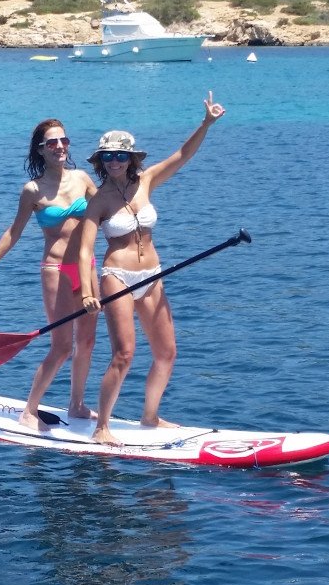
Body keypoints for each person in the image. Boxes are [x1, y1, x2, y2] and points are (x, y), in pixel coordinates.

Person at [77, 92, 226, 446]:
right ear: (101, 161)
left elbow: (183, 155)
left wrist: (206, 123)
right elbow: (85, 251)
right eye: (108, 156)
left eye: (120, 155)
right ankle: (102, 428)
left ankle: (150, 416)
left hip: (153, 277)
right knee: (124, 355)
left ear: (131, 158)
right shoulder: (98, 201)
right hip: (117, 278)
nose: (114, 161)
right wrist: (86, 292)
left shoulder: (146, 181)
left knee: (166, 352)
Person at [0, 119, 100, 431]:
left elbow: (108, 207)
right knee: (61, 345)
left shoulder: (82, 179)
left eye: (64, 140)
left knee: (87, 341)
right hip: (56, 270)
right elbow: (14, 232)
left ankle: (76, 405)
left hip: (87, 268)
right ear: (40, 150)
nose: (60, 146)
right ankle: (29, 411)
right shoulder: (32, 190)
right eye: (52, 143)